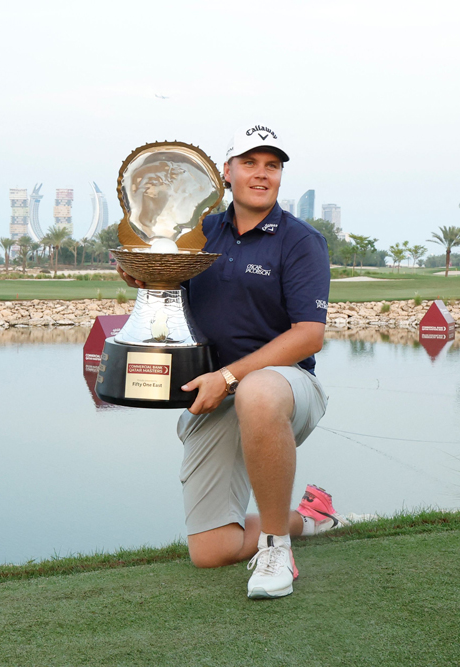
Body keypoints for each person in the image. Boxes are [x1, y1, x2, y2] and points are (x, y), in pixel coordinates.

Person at [117, 124, 351, 599]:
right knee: (212, 551)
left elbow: (310, 336)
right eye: (250, 163)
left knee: (258, 389)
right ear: (226, 173)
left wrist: (228, 377)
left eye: (272, 165)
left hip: (284, 391)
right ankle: (309, 517)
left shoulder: (300, 240)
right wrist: (145, 279)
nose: (262, 174)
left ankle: (276, 547)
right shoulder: (197, 234)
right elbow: (172, 299)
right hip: (217, 395)